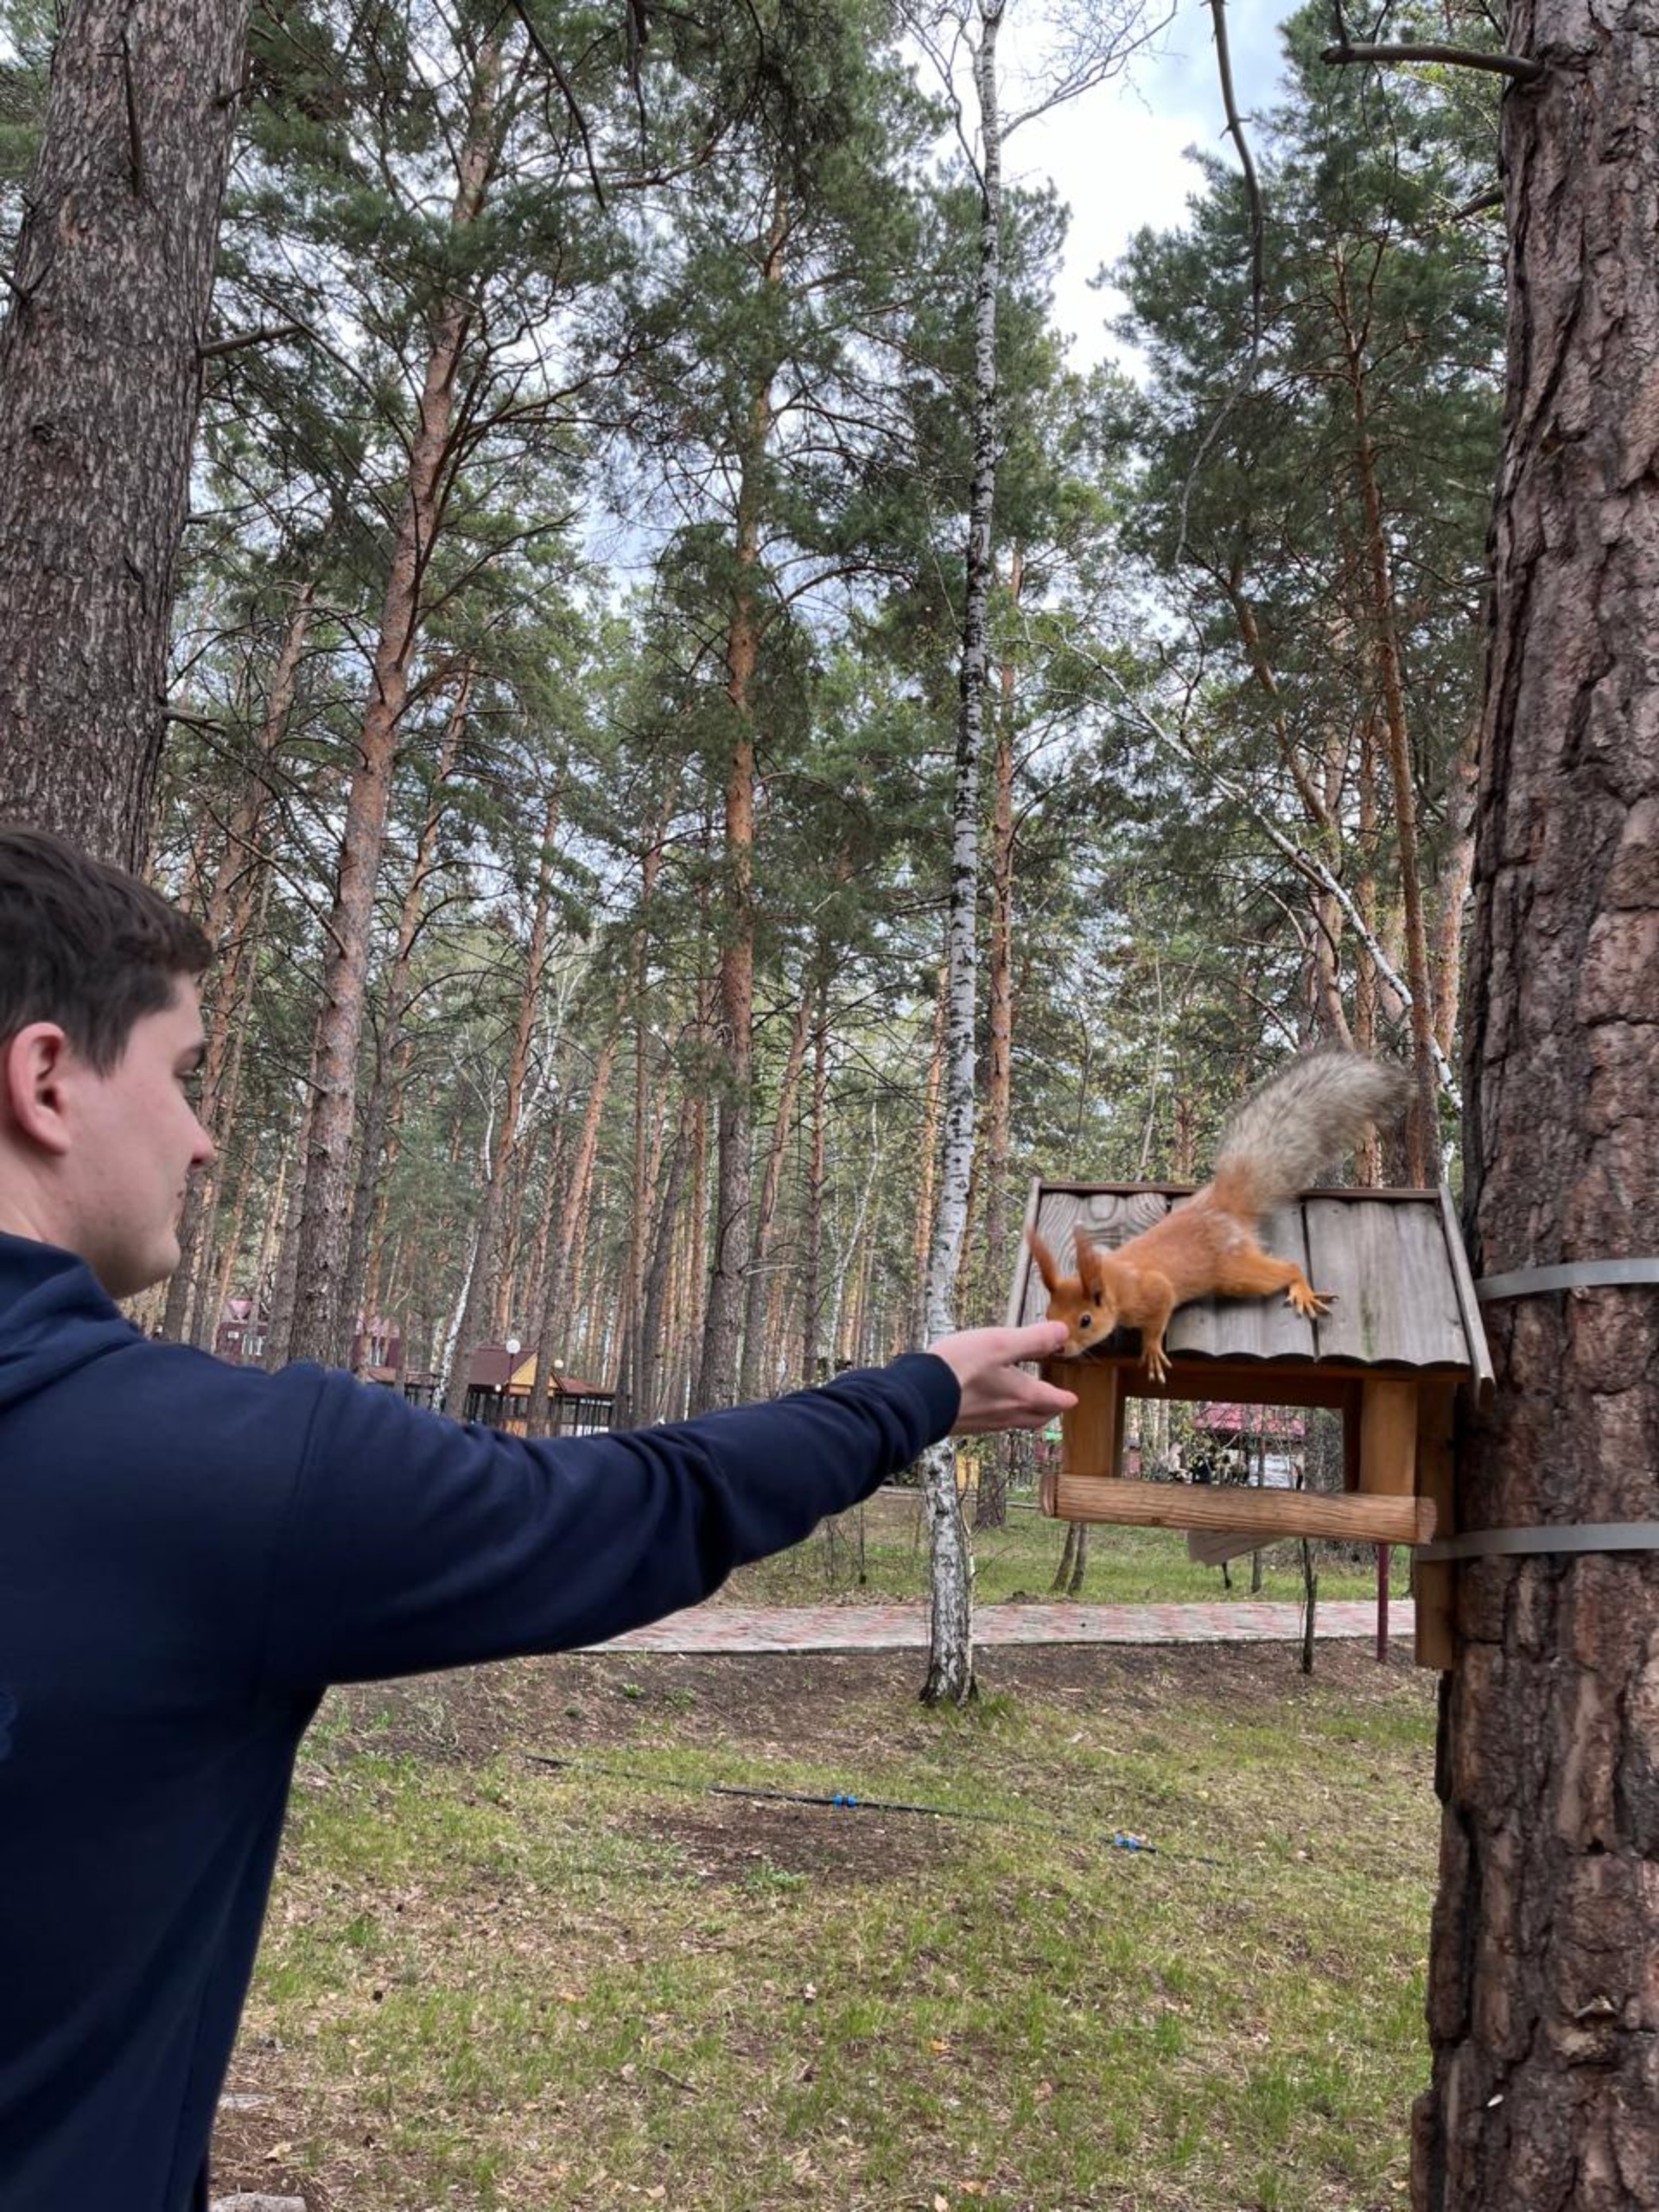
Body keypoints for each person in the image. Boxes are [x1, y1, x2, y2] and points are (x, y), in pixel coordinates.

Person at [0, 823, 1076, 2212]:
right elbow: (638, 1506)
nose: (205, 1143)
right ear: (45, 1079)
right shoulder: (216, 1475)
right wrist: (915, 1394)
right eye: (184, 1077)